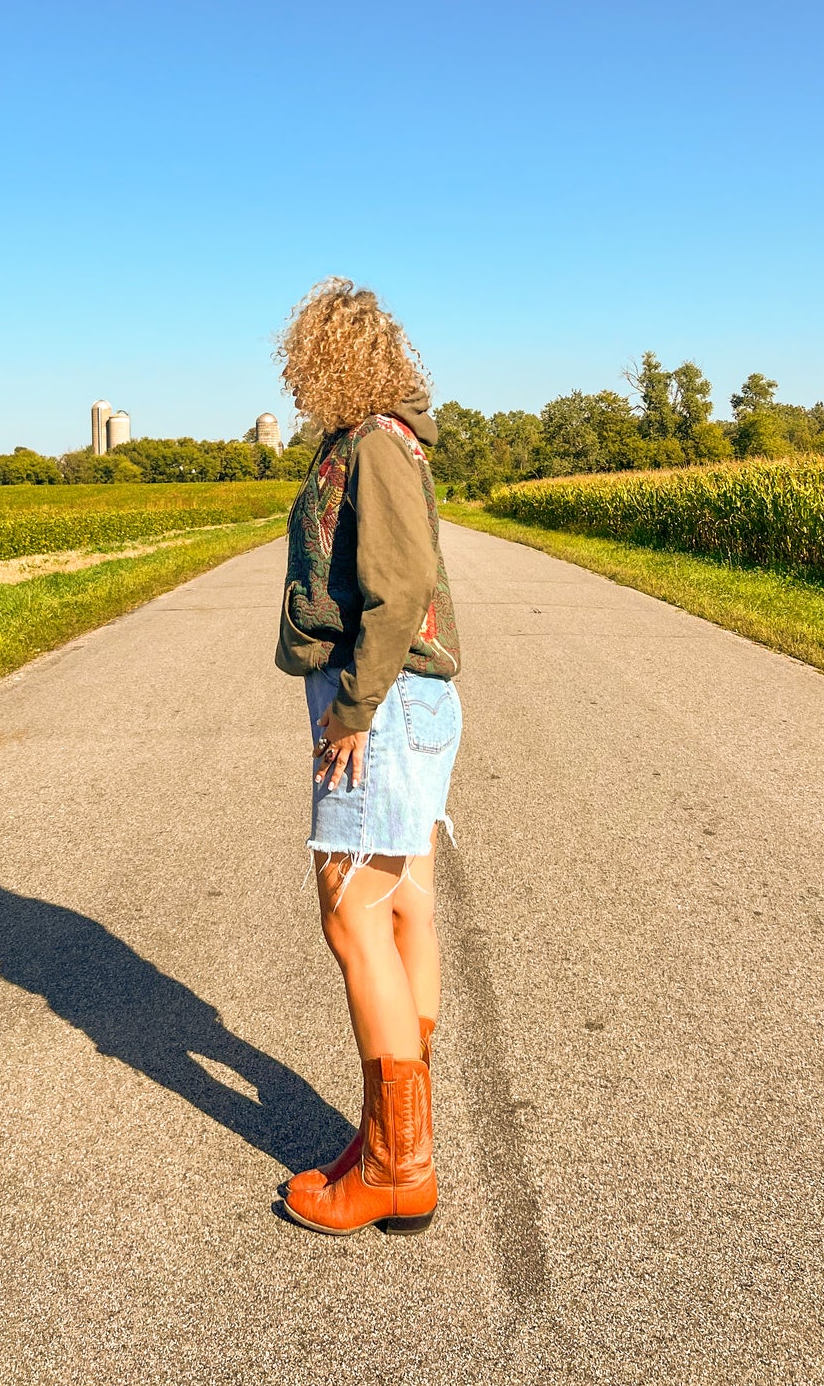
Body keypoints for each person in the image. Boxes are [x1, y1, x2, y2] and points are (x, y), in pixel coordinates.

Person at [273, 279, 462, 1236]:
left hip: (378, 701)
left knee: (352, 912)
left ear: (323, 357)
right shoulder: (389, 438)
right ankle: (393, 1137)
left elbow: (398, 588)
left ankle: (397, 1164)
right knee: (402, 907)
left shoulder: (374, 444)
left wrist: (349, 710)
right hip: (400, 700)